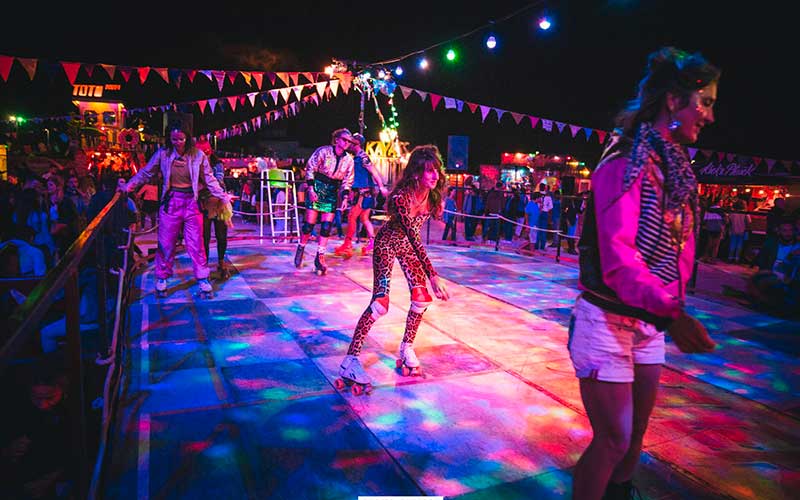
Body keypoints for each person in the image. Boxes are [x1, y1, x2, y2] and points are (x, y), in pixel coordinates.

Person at [570, 47, 719, 500]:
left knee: (635, 436)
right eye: (706, 102)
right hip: (607, 322)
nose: (710, 116)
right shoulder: (624, 161)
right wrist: (672, 313)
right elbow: (618, 260)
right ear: (674, 101)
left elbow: (679, 252)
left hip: (650, 322)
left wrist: (670, 308)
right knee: (612, 439)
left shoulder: (673, 168)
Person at [338, 145, 451, 390]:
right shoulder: (401, 198)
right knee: (380, 304)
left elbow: (415, 237)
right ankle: (350, 360)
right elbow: (411, 234)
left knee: (421, 299)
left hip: (408, 248)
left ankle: (406, 347)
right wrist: (433, 274)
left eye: (437, 171)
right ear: (416, 173)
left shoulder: (431, 197)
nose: (434, 176)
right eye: (429, 171)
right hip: (388, 244)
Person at [123, 124, 230, 297]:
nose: (178, 143)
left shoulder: (198, 155)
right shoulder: (163, 154)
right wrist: (129, 186)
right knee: (166, 242)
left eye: (181, 139)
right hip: (171, 202)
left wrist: (223, 196)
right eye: (174, 139)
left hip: (191, 203)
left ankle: (202, 278)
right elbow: (146, 172)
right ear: (169, 139)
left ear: (187, 138)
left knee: (197, 243)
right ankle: (162, 278)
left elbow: (210, 180)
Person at [294, 128, 355, 274]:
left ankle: (319, 257)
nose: (347, 143)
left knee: (327, 226)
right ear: (337, 139)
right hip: (317, 186)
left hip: (332, 191)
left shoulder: (349, 160)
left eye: (349, 141)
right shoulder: (323, 151)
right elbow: (310, 168)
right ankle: (301, 247)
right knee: (309, 225)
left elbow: (348, 180)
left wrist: (345, 197)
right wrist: (310, 188)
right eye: (345, 140)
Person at [334, 133, 388, 257]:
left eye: (351, 142)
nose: (349, 144)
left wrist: (381, 186)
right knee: (364, 219)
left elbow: (373, 171)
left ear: (356, 144)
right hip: (365, 193)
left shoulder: (363, 157)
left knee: (352, 217)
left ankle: (347, 244)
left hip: (363, 194)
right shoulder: (357, 157)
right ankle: (373, 242)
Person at [199, 149, 234, 279]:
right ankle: (205, 265)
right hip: (204, 203)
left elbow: (218, 181)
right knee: (205, 237)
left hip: (218, 202)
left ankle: (221, 261)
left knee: (221, 235)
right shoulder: (196, 164)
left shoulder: (217, 165)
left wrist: (204, 185)